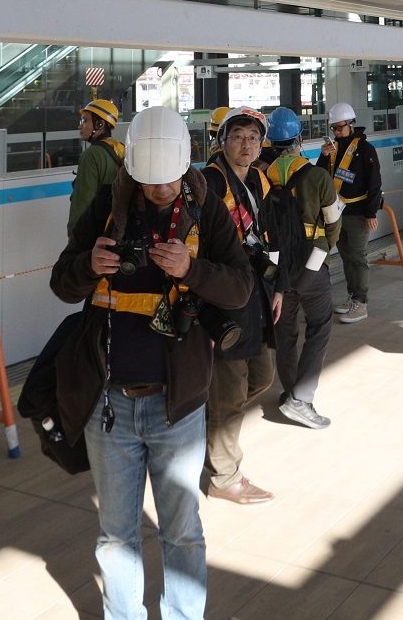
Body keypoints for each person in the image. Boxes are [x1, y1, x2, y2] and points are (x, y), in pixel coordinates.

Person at [51, 105, 253, 620]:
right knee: (116, 536)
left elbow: (240, 288)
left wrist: (193, 269)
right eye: (149, 183)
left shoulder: (206, 210)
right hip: (110, 407)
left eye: (169, 182)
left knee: (182, 531)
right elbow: (61, 283)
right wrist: (86, 266)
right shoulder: (107, 206)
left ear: (184, 167)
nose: (161, 191)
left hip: (177, 406)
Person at [199, 108, 289, 504]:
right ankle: (224, 477)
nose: (246, 144)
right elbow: (197, 246)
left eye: (253, 137)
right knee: (231, 389)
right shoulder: (207, 182)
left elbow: (270, 237)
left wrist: (279, 289)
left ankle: (206, 429)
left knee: (263, 376)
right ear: (223, 140)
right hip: (223, 292)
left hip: (255, 288)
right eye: (238, 136)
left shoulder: (258, 181)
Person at [266, 108, 341, 430]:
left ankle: (289, 393)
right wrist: (322, 254)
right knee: (320, 326)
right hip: (310, 262)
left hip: (274, 263)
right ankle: (301, 398)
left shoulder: (262, 175)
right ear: (299, 139)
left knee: (285, 332)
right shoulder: (317, 176)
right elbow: (333, 223)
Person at [319, 102, 383, 324]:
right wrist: (323, 156)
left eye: (340, 127)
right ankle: (352, 296)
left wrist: (371, 213)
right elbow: (320, 176)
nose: (336, 132)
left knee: (358, 257)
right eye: (334, 128)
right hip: (337, 213)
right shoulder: (333, 149)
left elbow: (375, 183)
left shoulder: (365, 150)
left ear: (351, 124)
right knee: (346, 257)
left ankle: (361, 302)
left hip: (358, 213)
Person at [69, 99, 126, 234]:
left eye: (84, 121)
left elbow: (82, 202)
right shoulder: (121, 148)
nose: (80, 126)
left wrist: (74, 236)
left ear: (100, 124)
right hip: (114, 228)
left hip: (92, 232)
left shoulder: (91, 155)